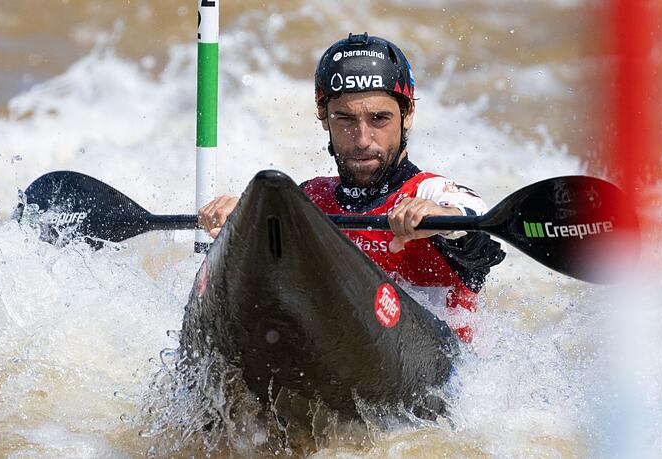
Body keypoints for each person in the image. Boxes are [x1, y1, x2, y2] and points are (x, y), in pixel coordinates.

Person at [198, 33, 505, 342]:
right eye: (344, 118)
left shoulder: (430, 193)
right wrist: (240, 226)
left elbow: (477, 220)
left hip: (447, 378)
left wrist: (441, 217)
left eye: (379, 118)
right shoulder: (311, 199)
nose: (361, 139)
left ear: (407, 114)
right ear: (323, 117)